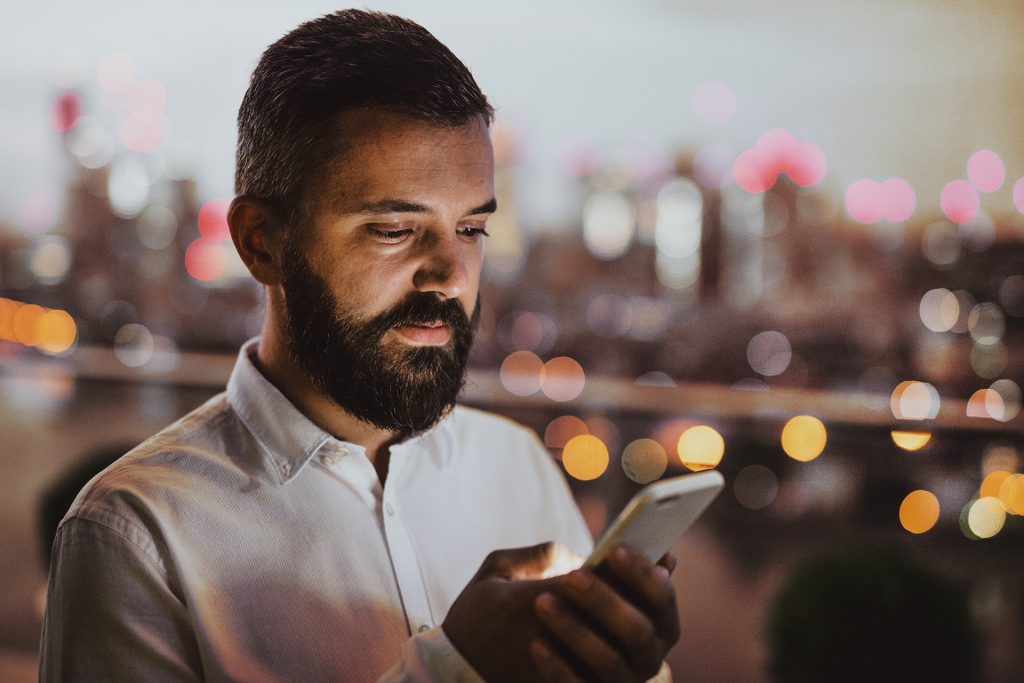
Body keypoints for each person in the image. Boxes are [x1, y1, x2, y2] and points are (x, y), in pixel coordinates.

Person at [40, 10, 679, 682]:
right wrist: (454, 668)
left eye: (469, 228)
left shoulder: (519, 467)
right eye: (394, 229)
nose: (450, 274)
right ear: (262, 241)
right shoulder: (136, 538)